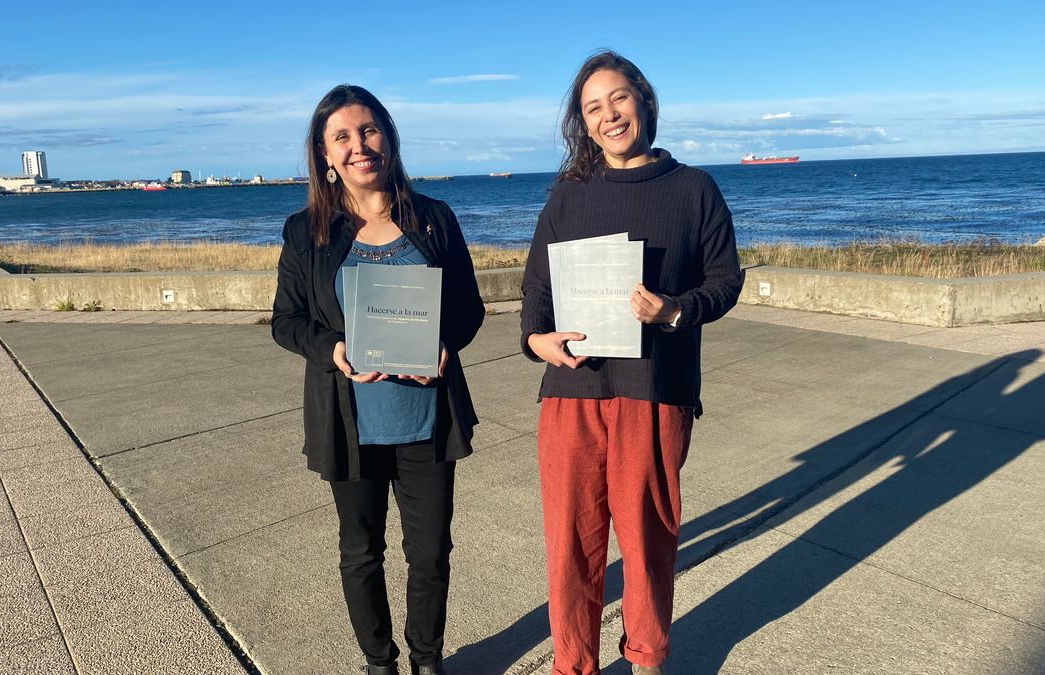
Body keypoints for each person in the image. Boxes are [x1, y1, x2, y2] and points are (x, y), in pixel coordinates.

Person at [519, 51, 744, 675]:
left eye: (618, 98)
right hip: (572, 392)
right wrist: (536, 340)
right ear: (582, 122)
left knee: (647, 541)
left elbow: (726, 282)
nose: (609, 115)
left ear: (644, 101)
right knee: (571, 545)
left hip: (655, 390)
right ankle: (574, 665)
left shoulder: (693, 188)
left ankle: (647, 658)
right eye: (593, 107)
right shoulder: (569, 194)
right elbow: (536, 288)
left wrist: (674, 310)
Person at [272, 84, 484, 675]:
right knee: (361, 553)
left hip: (426, 419)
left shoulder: (434, 218)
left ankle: (426, 661)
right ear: (323, 155)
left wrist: (445, 344)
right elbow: (285, 322)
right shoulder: (305, 231)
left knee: (431, 553)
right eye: (341, 137)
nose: (358, 145)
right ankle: (378, 663)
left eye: (368, 131)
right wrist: (333, 349)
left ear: (387, 137)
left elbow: (467, 309)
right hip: (350, 421)